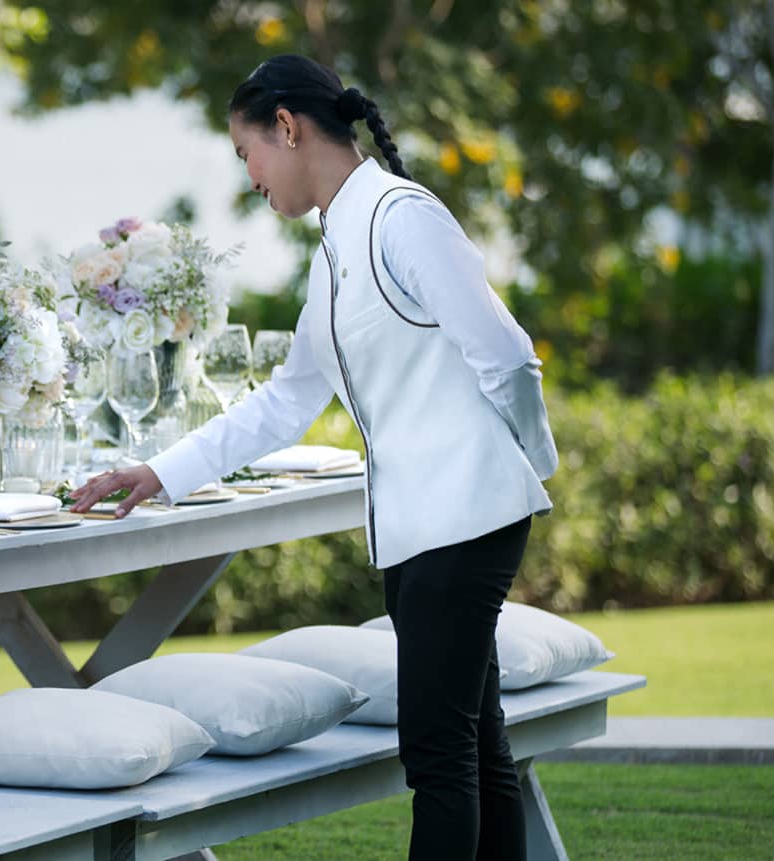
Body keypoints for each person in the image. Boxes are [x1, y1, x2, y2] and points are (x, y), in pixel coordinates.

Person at [69, 54, 558, 861]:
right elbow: (287, 399)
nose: (250, 176)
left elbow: (507, 357)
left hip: (463, 520)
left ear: (287, 128)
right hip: (423, 529)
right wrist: (162, 472)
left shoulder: (402, 217)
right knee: (474, 745)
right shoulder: (337, 244)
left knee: (438, 756)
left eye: (246, 153)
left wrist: (524, 463)